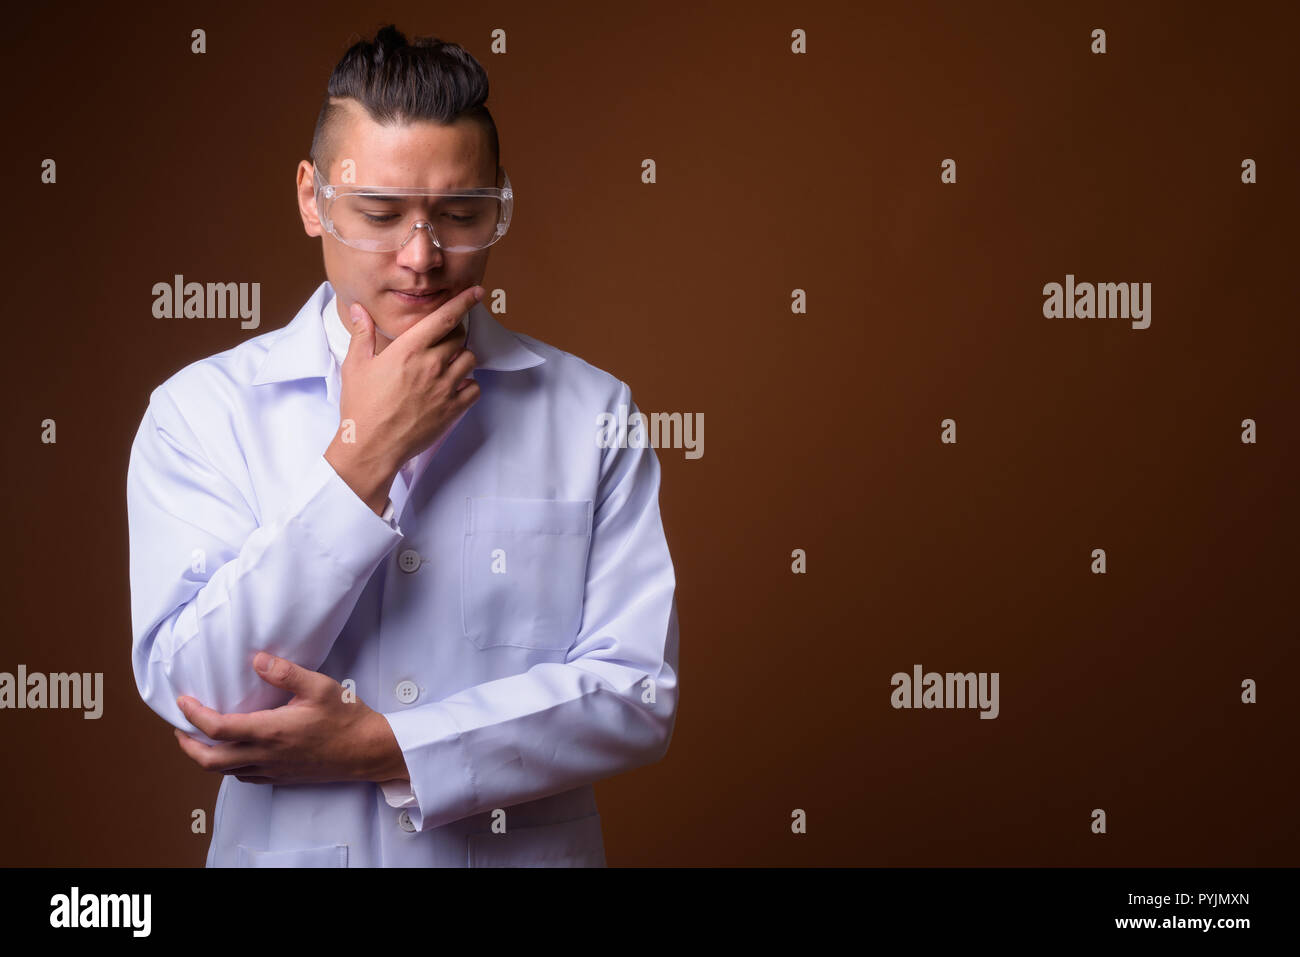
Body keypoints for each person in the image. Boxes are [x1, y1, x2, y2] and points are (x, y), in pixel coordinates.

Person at [126, 25, 679, 867]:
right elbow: (198, 693)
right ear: (313, 199)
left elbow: (637, 692)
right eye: (380, 214)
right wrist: (360, 461)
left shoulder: (592, 410)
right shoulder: (201, 411)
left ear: (497, 204)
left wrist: (392, 745)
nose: (421, 258)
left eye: (461, 216)